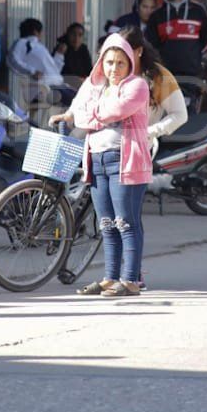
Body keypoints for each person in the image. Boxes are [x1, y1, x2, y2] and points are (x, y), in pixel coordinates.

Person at [58, 33, 152, 297]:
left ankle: (131, 281)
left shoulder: (138, 86)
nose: (114, 68)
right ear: (101, 62)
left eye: (120, 63)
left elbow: (113, 112)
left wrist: (88, 116)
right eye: (109, 62)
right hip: (97, 161)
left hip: (125, 162)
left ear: (130, 64)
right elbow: (83, 110)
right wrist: (85, 115)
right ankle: (111, 278)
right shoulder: (97, 86)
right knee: (107, 224)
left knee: (126, 222)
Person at [146, 0, 207, 101]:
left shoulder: (198, 10)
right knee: (169, 114)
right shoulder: (157, 15)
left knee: (192, 115)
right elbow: (151, 43)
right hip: (166, 73)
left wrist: (195, 56)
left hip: (192, 72)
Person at [8, 17, 74, 105]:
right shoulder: (23, 43)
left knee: (83, 97)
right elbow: (12, 59)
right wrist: (32, 71)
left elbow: (54, 70)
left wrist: (59, 54)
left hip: (56, 85)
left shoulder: (39, 47)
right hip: (45, 88)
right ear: (36, 32)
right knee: (77, 101)